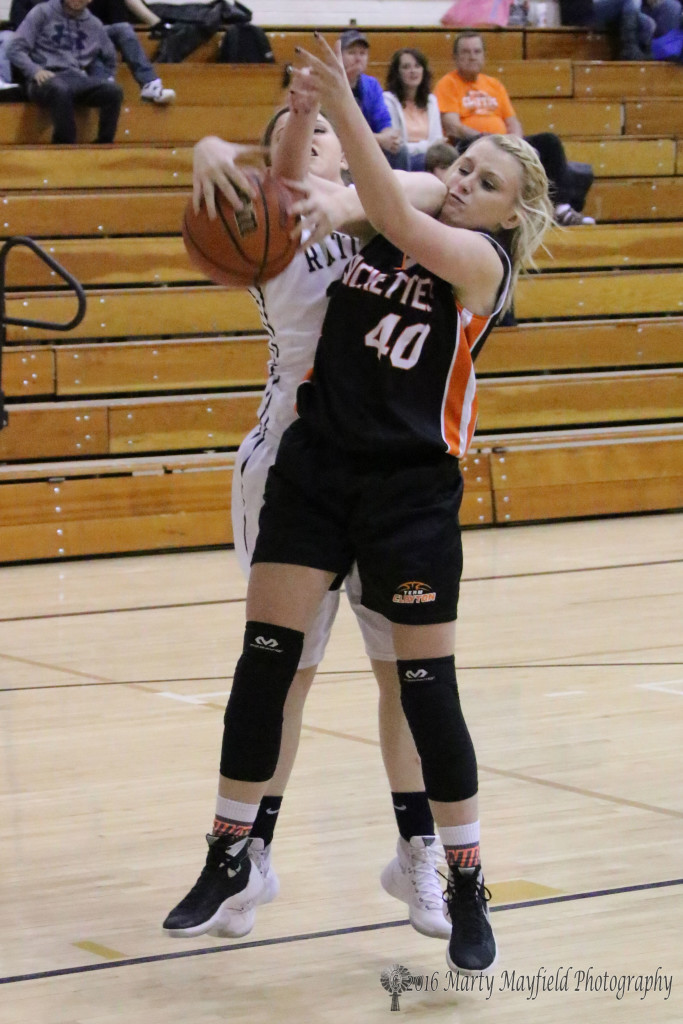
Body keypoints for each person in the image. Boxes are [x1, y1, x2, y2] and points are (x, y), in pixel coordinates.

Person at [163, 33, 553, 975]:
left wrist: (338, 110)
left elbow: (383, 199)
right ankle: (232, 852)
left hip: (408, 490)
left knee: (419, 690)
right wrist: (240, 146)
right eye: (460, 165)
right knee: (269, 669)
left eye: (484, 180)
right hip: (310, 466)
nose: (461, 182)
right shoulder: (374, 214)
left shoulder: (473, 261)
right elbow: (333, 196)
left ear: (516, 213)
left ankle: (451, 870)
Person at [173, 115, 453, 942]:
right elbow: (247, 166)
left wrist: (349, 185)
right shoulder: (269, 221)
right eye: (297, 127)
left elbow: (431, 184)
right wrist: (206, 149)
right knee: (280, 673)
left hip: (383, 470)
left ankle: (418, 853)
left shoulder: (392, 206)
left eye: (330, 124)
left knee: (404, 676)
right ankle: (247, 857)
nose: (315, 132)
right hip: (290, 466)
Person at [434, 31, 595, 227]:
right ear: (456, 57)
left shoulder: (494, 85)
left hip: (505, 144)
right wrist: (490, 141)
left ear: (484, 56)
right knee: (473, 145)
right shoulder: (447, 84)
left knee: (549, 142)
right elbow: (453, 126)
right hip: (474, 145)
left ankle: (560, 207)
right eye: (466, 52)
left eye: (477, 51)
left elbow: (513, 122)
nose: (472, 56)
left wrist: (516, 143)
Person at [9, 0, 175, 103]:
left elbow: (116, 19)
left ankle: (149, 83)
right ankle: (101, 84)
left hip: (90, 30)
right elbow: (21, 29)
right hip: (51, 40)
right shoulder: (41, 11)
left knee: (123, 29)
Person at [8, 0, 123, 144]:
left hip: (76, 77)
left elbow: (110, 57)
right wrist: (35, 70)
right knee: (60, 89)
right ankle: (64, 145)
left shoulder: (94, 24)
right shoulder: (42, 12)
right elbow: (15, 49)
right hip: (44, 78)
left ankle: (104, 143)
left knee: (114, 91)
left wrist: (106, 77)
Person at [338, 28, 410, 171]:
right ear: (338, 56)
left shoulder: (371, 84)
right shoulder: (331, 84)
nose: (358, 58)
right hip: (342, 147)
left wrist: (390, 138)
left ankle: (399, 192)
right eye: (351, 53)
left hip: (367, 146)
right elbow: (340, 133)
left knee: (400, 150)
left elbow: (384, 122)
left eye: (362, 53)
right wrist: (381, 140)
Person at [382, 47, 444, 172]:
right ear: (397, 73)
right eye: (406, 67)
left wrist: (429, 148)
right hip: (402, 160)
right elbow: (396, 145)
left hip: (430, 159)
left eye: (417, 66)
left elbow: (438, 140)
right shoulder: (388, 100)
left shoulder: (431, 101)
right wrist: (426, 146)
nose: (413, 71)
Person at [558, 0, 677, 58]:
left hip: (627, 11)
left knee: (670, 8)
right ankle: (629, 49)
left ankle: (662, 57)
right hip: (588, 9)